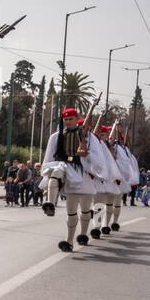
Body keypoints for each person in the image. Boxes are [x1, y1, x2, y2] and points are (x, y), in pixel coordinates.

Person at [41, 108, 112, 252]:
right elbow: (50, 156)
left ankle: (83, 234)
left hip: (84, 174)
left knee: (85, 210)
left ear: (77, 118)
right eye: (65, 119)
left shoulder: (89, 137)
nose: (67, 122)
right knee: (70, 209)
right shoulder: (56, 136)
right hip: (67, 169)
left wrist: (86, 154)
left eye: (70, 119)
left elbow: (98, 159)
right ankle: (51, 205)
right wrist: (45, 173)